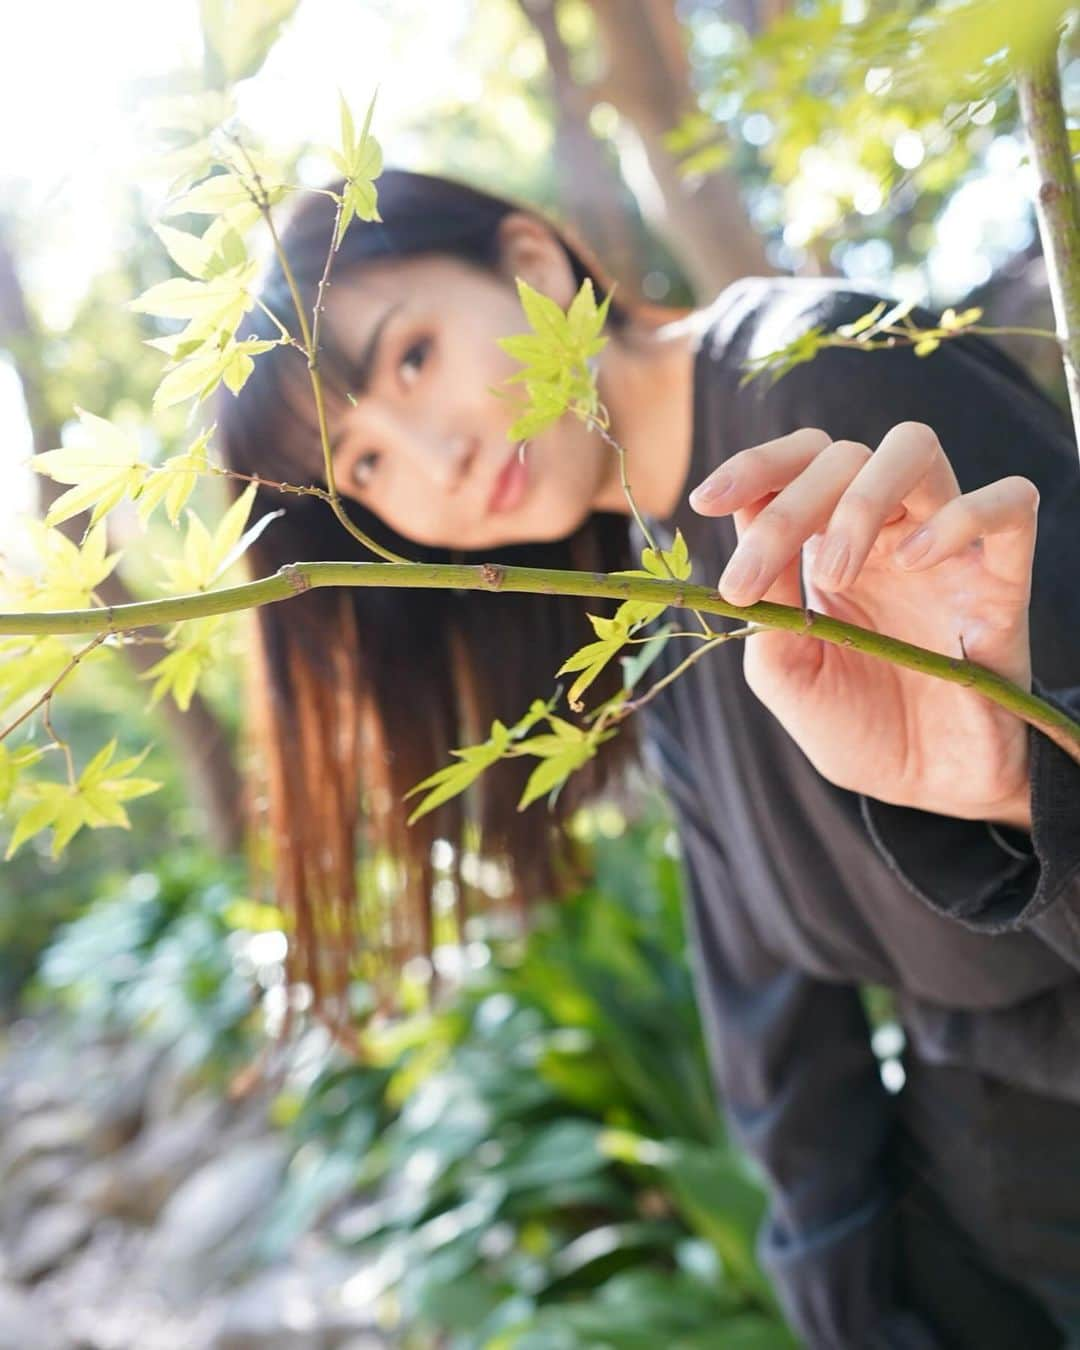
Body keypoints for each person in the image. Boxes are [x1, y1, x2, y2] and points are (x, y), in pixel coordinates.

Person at [218, 169, 1080, 1349]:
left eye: (412, 356)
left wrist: (1007, 787)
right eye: (362, 469)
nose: (438, 457)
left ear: (531, 264)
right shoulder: (655, 613)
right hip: (970, 1207)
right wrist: (842, 1302)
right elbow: (768, 1008)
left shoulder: (826, 392)